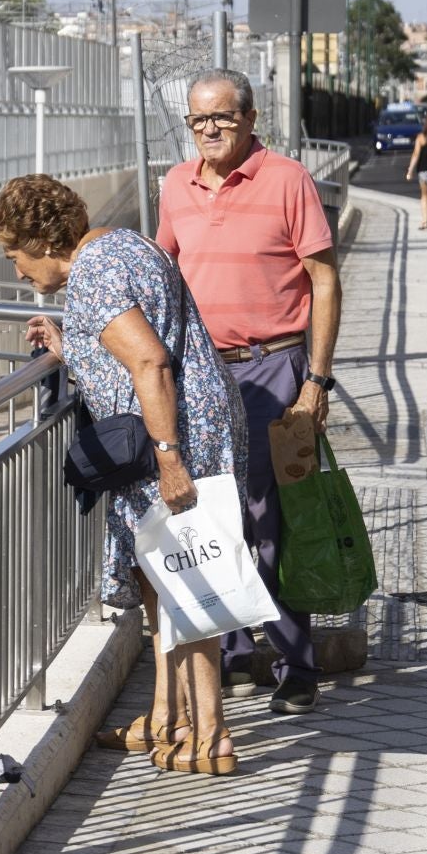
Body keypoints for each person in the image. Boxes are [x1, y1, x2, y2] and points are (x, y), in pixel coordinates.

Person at [0, 174, 249, 775]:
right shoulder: (124, 244)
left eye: (15, 257)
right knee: (170, 577)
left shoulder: (93, 273)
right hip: (200, 418)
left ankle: (211, 737)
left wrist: (168, 458)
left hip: (174, 435)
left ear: (41, 239)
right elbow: (134, 340)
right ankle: (173, 718)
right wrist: (70, 343)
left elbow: (149, 359)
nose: (17, 273)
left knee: (192, 575)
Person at [156, 68, 341, 717]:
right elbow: (163, 277)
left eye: (222, 118)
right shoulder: (175, 185)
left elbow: (324, 279)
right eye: (198, 119)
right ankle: (236, 653)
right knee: (217, 514)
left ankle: (296, 663)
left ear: (251, 118)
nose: (208, 129)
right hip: (202, 374)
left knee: (275, 519)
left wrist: (315, 380)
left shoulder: (288, 180)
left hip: (275, 369)